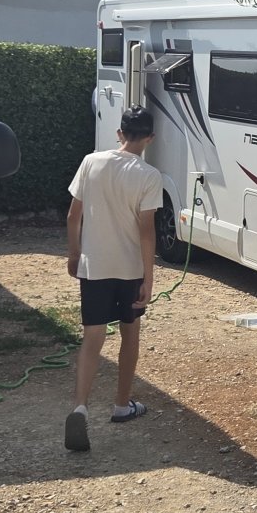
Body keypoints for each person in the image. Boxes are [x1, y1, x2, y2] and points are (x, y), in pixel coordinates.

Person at [64, 105, 162, 452]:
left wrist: (74, 254)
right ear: (150, 138)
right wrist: (149, 278)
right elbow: (147, 231)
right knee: (129, 334)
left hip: (94, 266)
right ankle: (122, 405)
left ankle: (80, 406)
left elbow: (73, 216)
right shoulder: (149, 175)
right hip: (129, 269)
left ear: (119, 133)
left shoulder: (91, 162)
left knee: (92, 338)